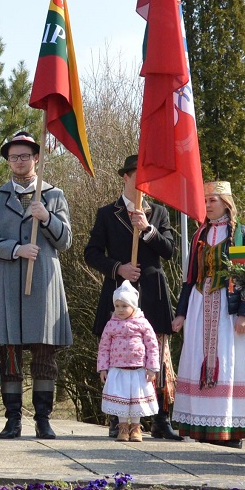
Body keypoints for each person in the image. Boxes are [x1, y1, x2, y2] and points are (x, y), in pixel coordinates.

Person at [0, 130, 74, 440]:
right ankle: (12, 419)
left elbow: (65, 241)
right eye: (13, 157)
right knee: (10, 353)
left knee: (44, 353)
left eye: (24, 156)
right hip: (7, 282)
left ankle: (43, 419)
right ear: (8, 161)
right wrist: (16, 249)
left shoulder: (54, 195)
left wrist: (47, 218)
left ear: (37, 158)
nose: (19, 161)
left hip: (43, 283)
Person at [83, 154, 181, 440]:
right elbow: (91, 253)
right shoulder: (107, 213)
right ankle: (117, 418)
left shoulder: (159, 213)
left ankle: (160, 419)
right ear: (125, 178)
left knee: (155, 355)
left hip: (151, 291)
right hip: (118, 294)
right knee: (118, 356)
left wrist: (148, 230)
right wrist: (119, 268)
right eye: (137, 177)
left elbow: (170, 251)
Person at [170, 181, 245, 446]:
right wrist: (181, 313)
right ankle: (200, 426)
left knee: (230, 360)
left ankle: (230, 429)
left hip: (229, 307)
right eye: (205, 201)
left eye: (213, 200)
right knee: (197, 356)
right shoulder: (199, 234)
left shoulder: (243, 233)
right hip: (200, 304)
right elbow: (189, 278)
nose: (208, 205)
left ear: (226, 203)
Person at [98, 282, 162, 441]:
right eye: (117, 306)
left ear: (133, 306)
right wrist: (103, 368)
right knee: (121, 400)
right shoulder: (111, 324)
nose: (119, 310)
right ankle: (123, 428)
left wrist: (152, 367)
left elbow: (152, 346)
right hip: (118, 370)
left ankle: (135, 428)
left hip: (138, 370)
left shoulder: (143, 323)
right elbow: (104, 346)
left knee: (136, 400)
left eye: (124, 306)